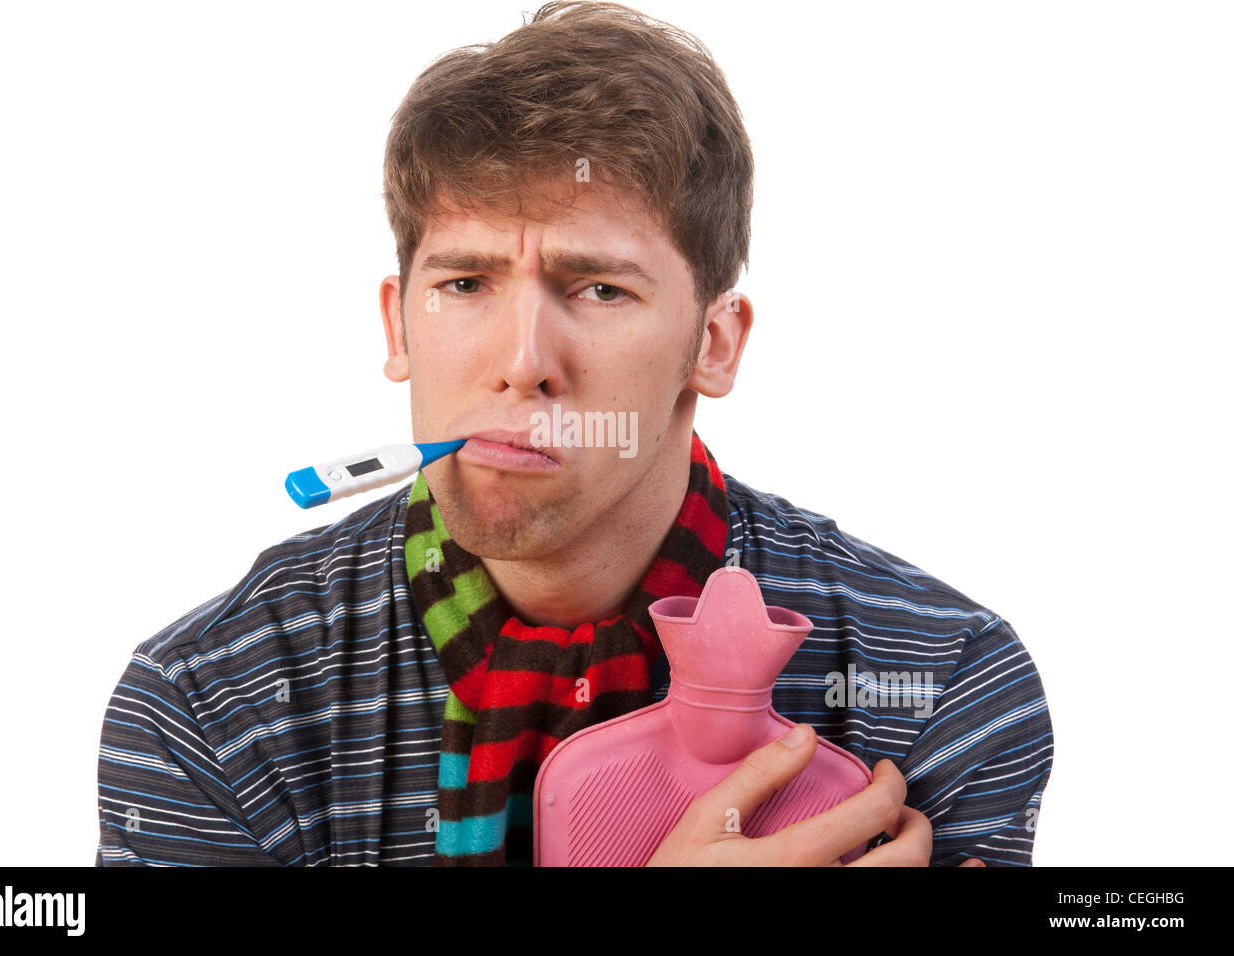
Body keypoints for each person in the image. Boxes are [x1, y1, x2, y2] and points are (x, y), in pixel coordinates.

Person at [96, 1, 1052, 867]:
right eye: (464, 284)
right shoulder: (213, 705)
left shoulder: (942, 685)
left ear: (711, 346)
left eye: (598, 288)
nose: (522, 361)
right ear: (398, 328)